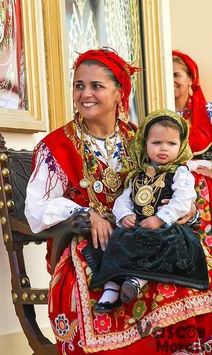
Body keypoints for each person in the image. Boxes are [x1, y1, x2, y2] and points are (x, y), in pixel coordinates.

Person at [25, 48, 212, 354]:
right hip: (92, 244)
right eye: (79, 85)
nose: (85, 94)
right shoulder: (56, 146)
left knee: (195, 263)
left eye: (96, 86)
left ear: (119, 92)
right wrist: (86, 214)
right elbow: (36, 211)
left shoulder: (141, 139)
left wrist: (185, 209)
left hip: (148, 234)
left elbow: (172, 177)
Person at [87, 109, 209, 314]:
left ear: (181, 146)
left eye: (171, 144)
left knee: (163, 243)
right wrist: (125, 215)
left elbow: (183, 201)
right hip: (139, 224)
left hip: (165, 227)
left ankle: (136, 281)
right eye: (156, 143)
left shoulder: (180, 173)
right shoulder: (137, 175)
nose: (164, 148)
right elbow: (122, 200)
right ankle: (111, 287)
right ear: (145, 144)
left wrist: (161, 218)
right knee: (118, 240)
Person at [172, 50, 212, 245]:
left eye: (176, 75)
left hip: (207, 190)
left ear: (190, 80)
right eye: (167, 75)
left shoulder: (209, 112)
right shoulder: (159, 115)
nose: (171, 80)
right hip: (172, 189)